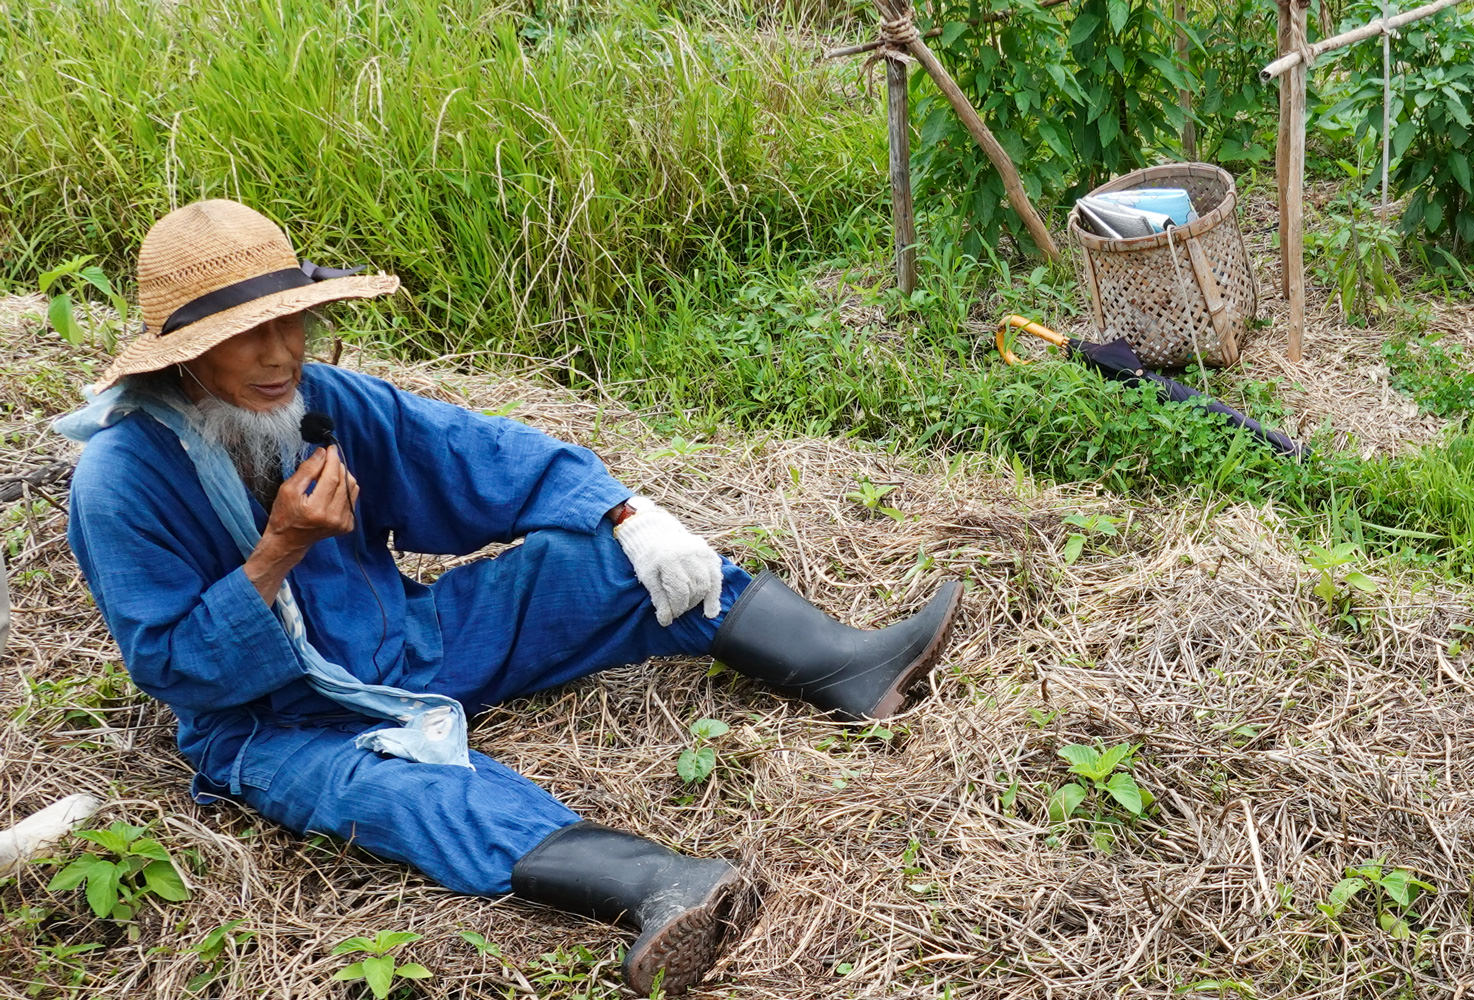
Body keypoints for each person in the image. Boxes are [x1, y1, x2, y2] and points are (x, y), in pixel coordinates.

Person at [58, 199, 963, 995]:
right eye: (246, 337)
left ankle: (848, 664)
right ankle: (665, 886)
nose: (281, 353)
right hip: (276, 724)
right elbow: (174, 666)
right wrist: (280, 549)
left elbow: (471, 453)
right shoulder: (122, 480)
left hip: (406, 643)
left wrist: (626, 512)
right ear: (184, 357)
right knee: (412, 799)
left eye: (291, 321)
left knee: (613, 561)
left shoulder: (316, 400)